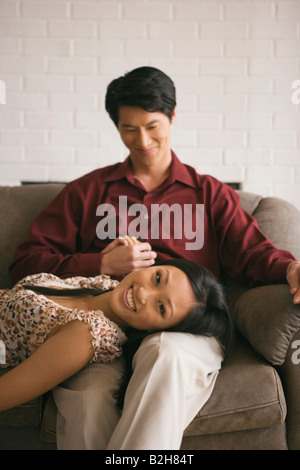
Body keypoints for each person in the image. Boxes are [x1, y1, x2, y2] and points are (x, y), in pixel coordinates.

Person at [9, 66, 300, 450]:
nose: (142, 140)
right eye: (129, 129)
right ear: (116, 127)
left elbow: (253, 253)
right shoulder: (88, 192)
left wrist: (291, 266)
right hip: (100, 328)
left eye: (152, 126)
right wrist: (100, 265)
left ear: (172, 118)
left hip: (183, 330)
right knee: (88, 399)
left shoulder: (209, 194)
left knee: (166, 354)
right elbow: (26, 263)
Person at [0, 257, 232, 414]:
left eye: (161, 308)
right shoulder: (104, 286)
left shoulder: (85, 335)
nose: (142, 294)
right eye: (157, 278)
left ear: (157, 330)